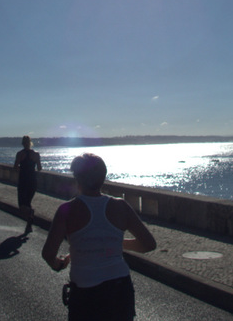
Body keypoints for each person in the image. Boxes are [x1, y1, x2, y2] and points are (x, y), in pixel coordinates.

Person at [42, 153, 156, 321]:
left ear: (77, 178)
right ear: (103, 177)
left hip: (85, 293)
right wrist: (115, 243)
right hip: (119, 289)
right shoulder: (120, 206)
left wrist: (58, 264)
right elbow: (148, 244)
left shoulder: (67, 210)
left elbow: (48, 254)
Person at [13, 135, 42, 233]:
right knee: (28, 202)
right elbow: (39, 168)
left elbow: (15, 167)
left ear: (22, 143)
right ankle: (29, 225)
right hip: (33, 181)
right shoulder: (36, 154)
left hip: (23, 181)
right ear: (30, 143)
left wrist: (22, 168)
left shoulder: (20, 154)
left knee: (22, 205)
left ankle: (30, 214)